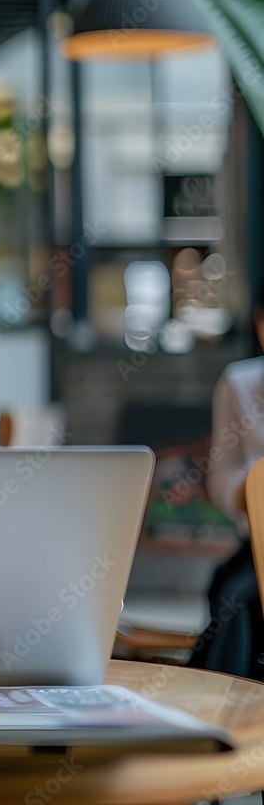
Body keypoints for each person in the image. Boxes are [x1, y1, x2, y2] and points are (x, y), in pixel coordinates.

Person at [188, 282, 264, 678]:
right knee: (236, 598)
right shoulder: (241, 384)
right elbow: (220, 482)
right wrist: (256, 487)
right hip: (257, 547)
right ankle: (232, 712)